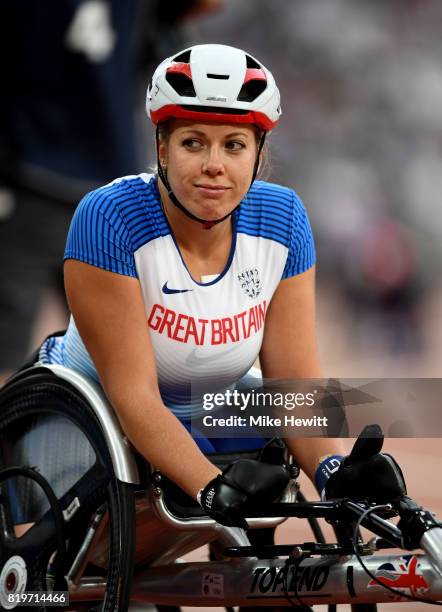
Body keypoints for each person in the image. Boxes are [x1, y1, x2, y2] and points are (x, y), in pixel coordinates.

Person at [34, 44, 404, 529]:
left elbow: (291, 381)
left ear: (258, 155)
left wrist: (334, 476)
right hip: (92, 409)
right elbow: (134, 398)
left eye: (233, 145)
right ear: (162, 148)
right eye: (193, 143)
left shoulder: (284, 218)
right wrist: (212, 488)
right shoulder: (108, 217)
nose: (214, 164)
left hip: (212, 410)